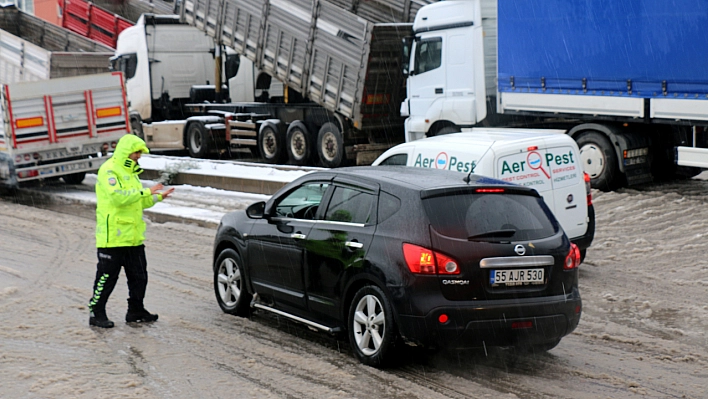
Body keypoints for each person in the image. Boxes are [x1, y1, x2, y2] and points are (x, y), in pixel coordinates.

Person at [88, 134, 174, 328]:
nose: (139, 156)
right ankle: (96, 312)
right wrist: (146, 192)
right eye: (136, 152)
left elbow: (138, 201)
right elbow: (118, 198)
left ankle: (135, 310)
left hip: (133, 238)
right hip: (113, 238)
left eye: (140, 153)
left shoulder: (131, 173)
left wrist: (158, 198)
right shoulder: (109, 170)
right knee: (106, 278)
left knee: (139, 277)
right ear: (127, 151)